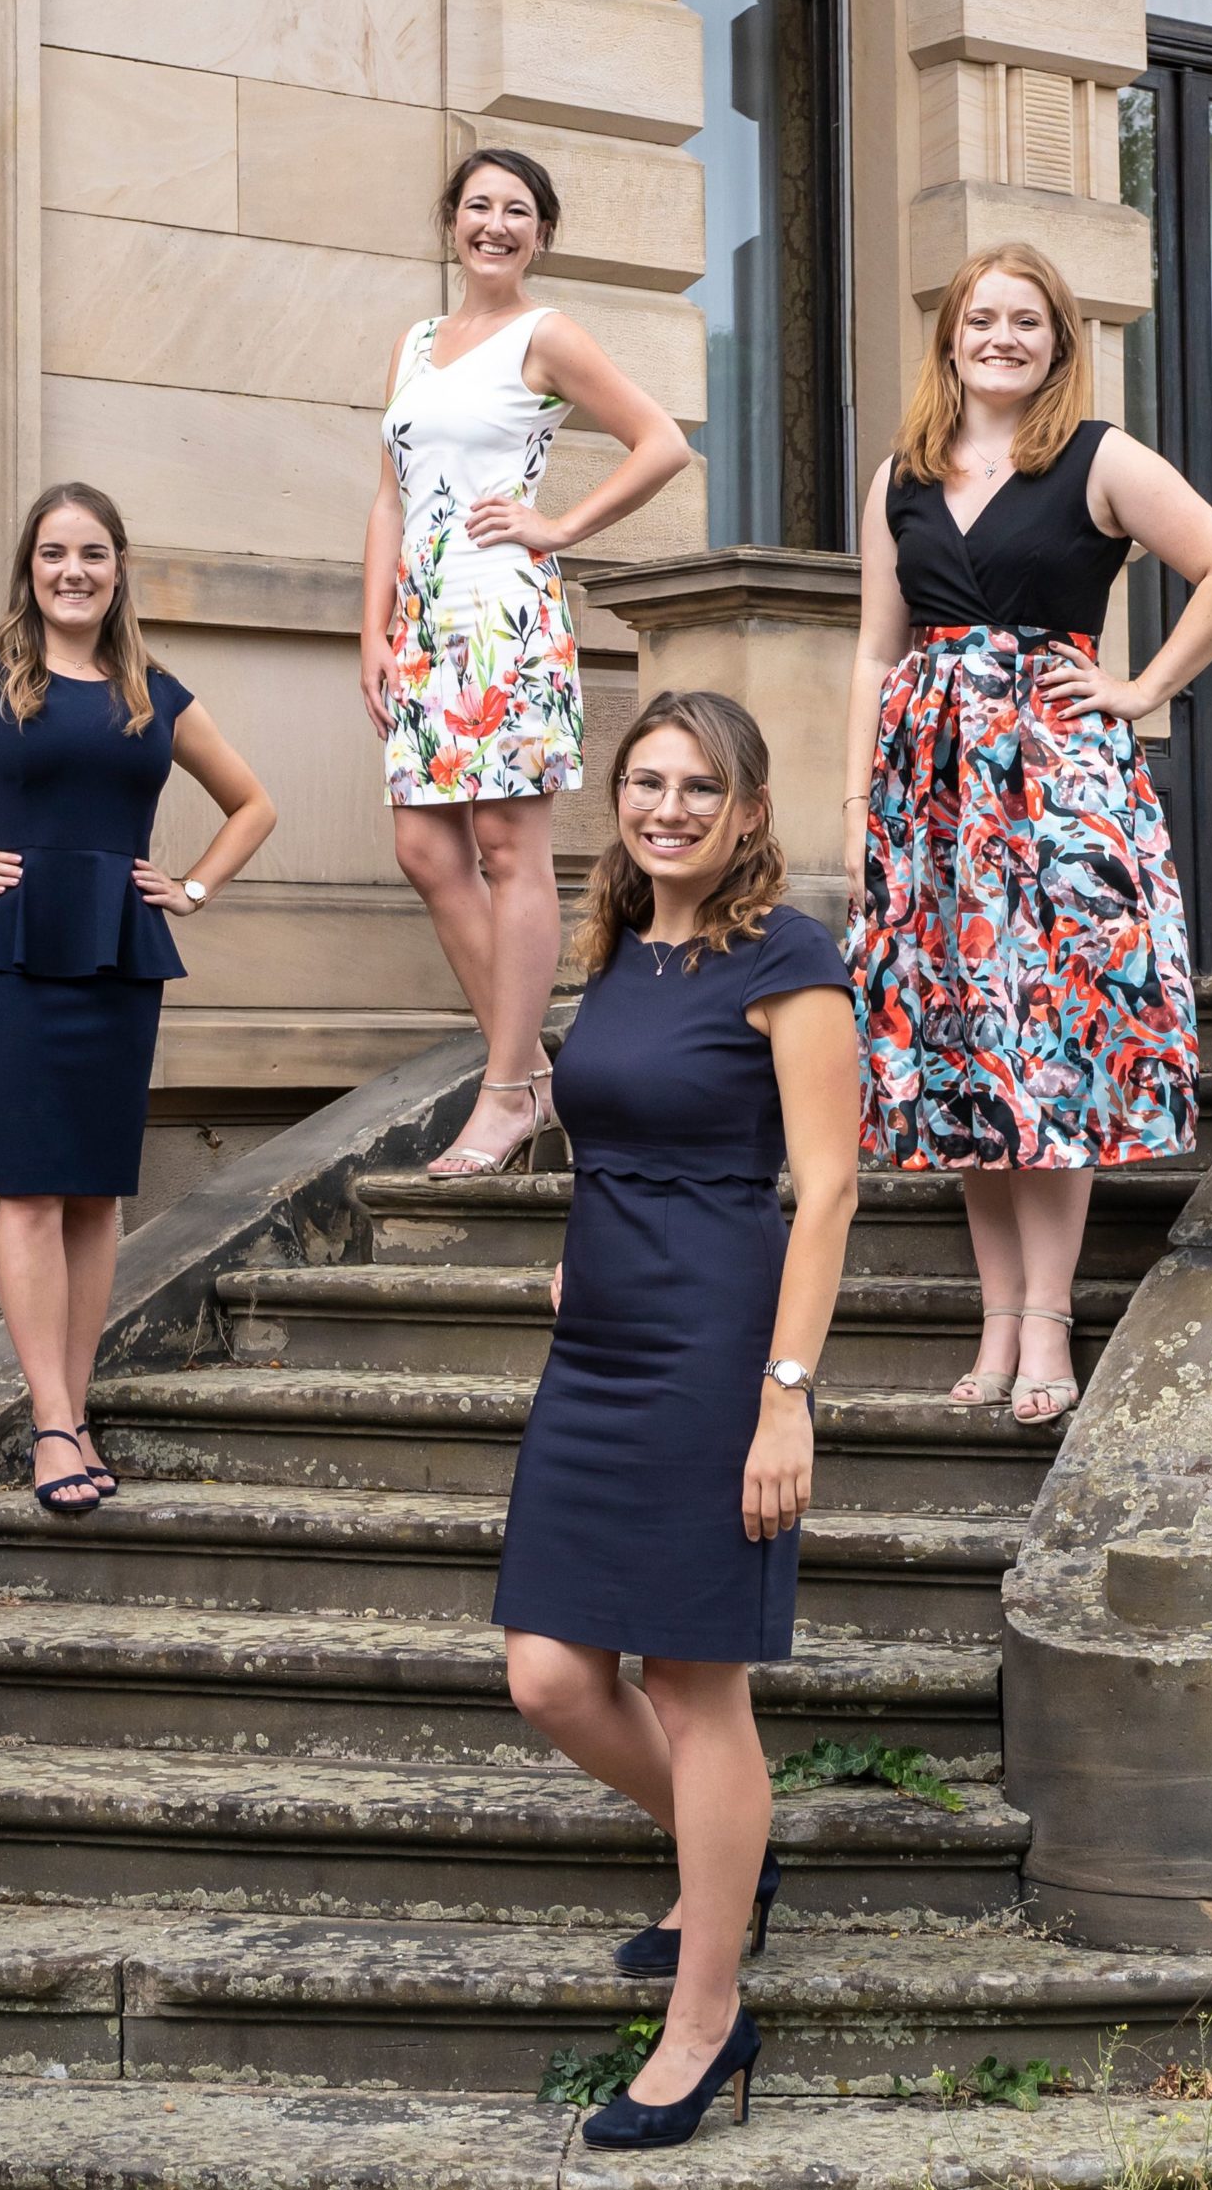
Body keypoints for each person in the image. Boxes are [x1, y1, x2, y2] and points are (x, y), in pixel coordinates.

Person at [494, 689, 859, 2152]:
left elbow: (825, 1189)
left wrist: (786, 1399)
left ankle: (708, 2020)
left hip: (719, 1347)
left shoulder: (791, 958)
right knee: (548, 1675)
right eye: (645, 783)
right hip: (599, 1341)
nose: (667, 808)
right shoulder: (623, 947)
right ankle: (730, 1864)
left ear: (748, 810)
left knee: (701, 1689)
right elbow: (621, 1132)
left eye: (698, 787)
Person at [844, 242, 1212, 1425]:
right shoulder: (901, 477)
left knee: (1056, 1045)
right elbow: (878, 649)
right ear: (950, 337)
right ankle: (993, 1319)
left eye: (1025, 322)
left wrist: (1143, 689)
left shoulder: (1099, 456)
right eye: (980, 318)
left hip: (1059, 796)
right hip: (929, 801)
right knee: (967, 1056)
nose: (1000, 338)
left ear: (1058, 343)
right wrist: (857, 809)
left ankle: (1046, 1319)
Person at [0, 484, 275, 1516]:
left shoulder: (154, 692)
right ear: (28, 568)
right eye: (52, 553)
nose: (72, 570)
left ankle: (72, 1403)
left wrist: (194, 885)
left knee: (96, 1191)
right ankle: (53, 1423)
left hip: (119, 953)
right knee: (29, 1187)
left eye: (92, 553)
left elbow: (254, 803)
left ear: (119, 566)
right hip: (11, 956)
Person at [361, 148, 691, 1176]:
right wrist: (370, 627)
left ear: (540, 233)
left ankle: (504, 1094)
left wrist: (558, 527)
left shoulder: (546, 336)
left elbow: (661, 442)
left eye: (516, 211)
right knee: (426, 852)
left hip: (503, 617)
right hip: (422, 629)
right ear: (449, 222)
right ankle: (531, 1076)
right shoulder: (414, 343)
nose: (494, 225)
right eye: (476, 207)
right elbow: (389, 494)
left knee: (510, 849)